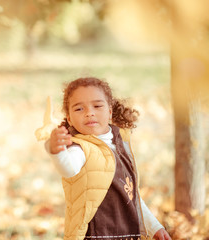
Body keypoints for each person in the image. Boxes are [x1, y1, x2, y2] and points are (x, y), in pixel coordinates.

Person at [43, 77, 171, 240]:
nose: (89, 112)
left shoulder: (120, 145)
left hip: (127, 233)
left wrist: (154, 227)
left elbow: (130, 196)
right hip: (96, 234)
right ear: (69, 118)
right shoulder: (79, 148)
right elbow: (69, 169)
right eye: (79, 109)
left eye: (97, 106)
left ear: (109, 111)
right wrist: (56, 150)